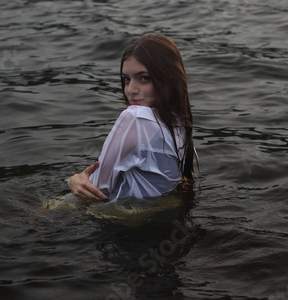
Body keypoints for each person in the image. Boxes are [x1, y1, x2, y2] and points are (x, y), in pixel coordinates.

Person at [69, 33, 197, 202]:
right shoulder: (181, 123)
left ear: (168, 79)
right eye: (126, 80)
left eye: (144, 78)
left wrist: (75, 181)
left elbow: (95, 189)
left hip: (114, 221)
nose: (131, 89)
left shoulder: (135, 117)